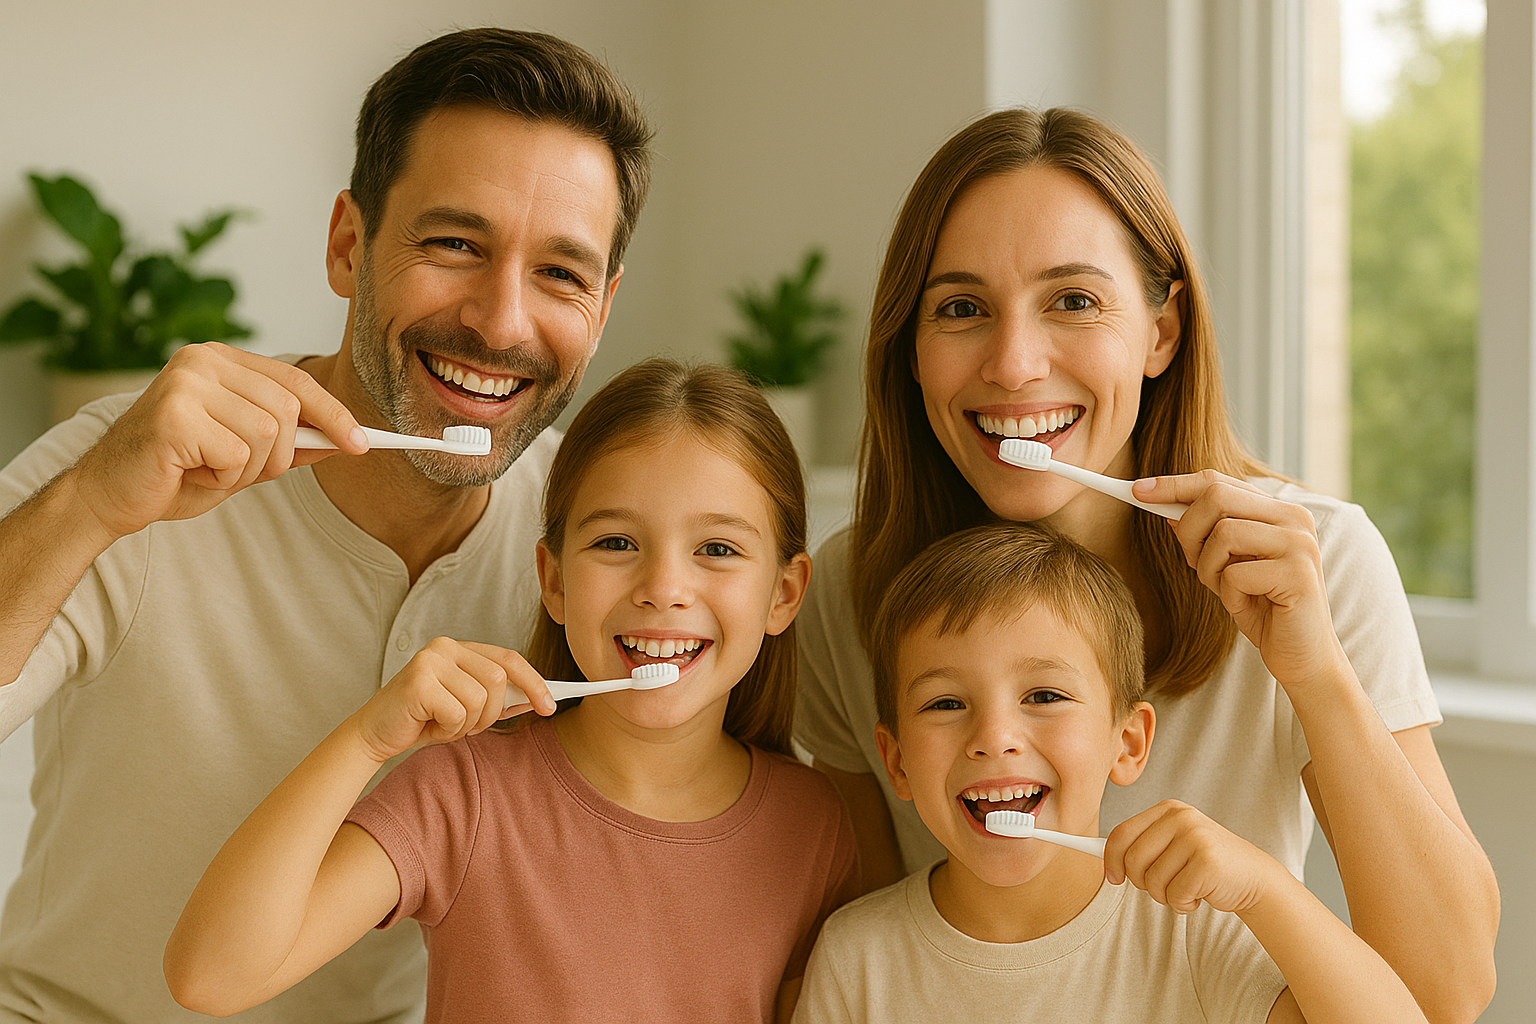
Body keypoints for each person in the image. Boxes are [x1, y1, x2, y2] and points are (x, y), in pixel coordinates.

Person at [0, 28, 652, 1024]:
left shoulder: (595, 548)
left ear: (602, 309)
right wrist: (91, 505)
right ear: (350, 246)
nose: (501, 321)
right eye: (455, 245)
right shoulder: (127, 467)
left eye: (560, 274)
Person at [793, 106, 1498, 1022]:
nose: (1013, 365)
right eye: (960, 308)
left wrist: (1313, 670)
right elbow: (884, 938)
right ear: (912, 352)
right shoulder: (857, 589)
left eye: (1074, 301)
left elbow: (1447, 993)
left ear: (1162, 333)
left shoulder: (1317, 564)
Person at [164, 358, 859, 1024]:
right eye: (617, 543)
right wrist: (366, 739)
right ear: (552, 579)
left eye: (717, 549)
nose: (664, 591)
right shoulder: (462, 797)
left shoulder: (815, 829)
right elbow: (213, 975)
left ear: (785, 593)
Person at [793, 523, 1430, 1024]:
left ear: (1127, 743)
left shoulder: (1191, 930)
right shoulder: (857, 958)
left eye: (1043, 696)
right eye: (946, 704)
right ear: (896, 760)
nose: (994, 740)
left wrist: (1265, 888)